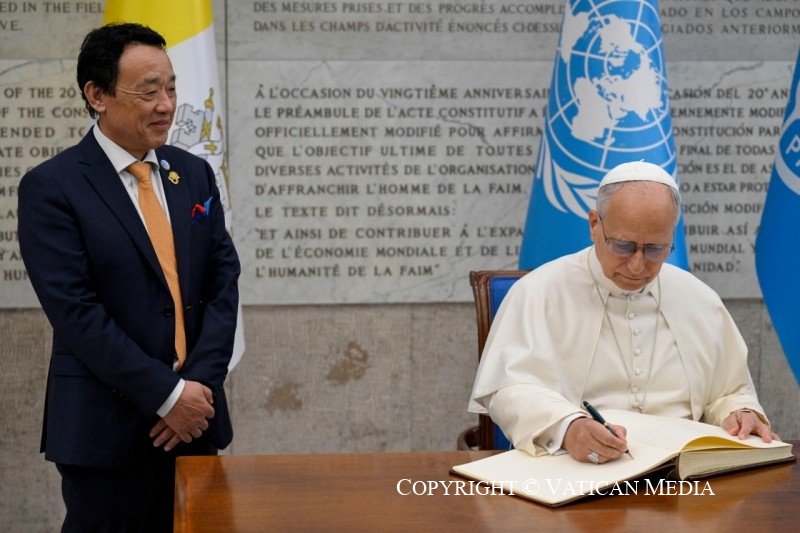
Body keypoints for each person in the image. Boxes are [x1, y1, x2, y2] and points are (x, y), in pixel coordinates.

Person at [18, 23, 241, 532]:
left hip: (196, 423)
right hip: (106, 433)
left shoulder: (194, 174)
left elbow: (223, 282)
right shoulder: (52, 188)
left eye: (171, 88)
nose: (166, 105)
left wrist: (197, 389)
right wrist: (167, 395)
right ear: (97, 95)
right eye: (148, 91)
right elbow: (77, 313)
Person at [468, 161, 777, 465]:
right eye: (623, 246)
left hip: (683, 476)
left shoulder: (698, 298)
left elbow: (729, 392)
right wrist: (568, 427)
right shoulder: (539, 292)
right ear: (594, 225)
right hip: (577, 469)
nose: (637, 266)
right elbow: (508, 388)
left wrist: (739, 413)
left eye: (655, 249)